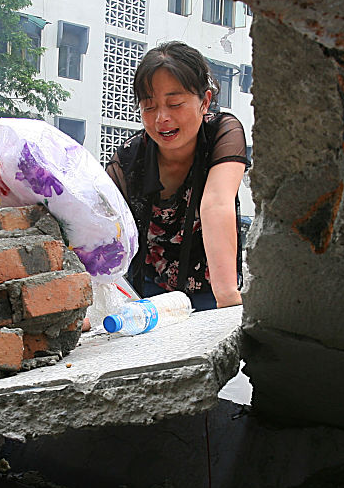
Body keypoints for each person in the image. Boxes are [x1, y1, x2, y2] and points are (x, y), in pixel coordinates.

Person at [106, 42, 249, 310]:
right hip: (149, 293)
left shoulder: (223, 132)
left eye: (175, 104)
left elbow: (217, 204)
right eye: (149, 107)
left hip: (211, 286)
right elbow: (101, 224)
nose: (162, 118)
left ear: (205, 102)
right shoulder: (128, 158)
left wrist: (228, 298)